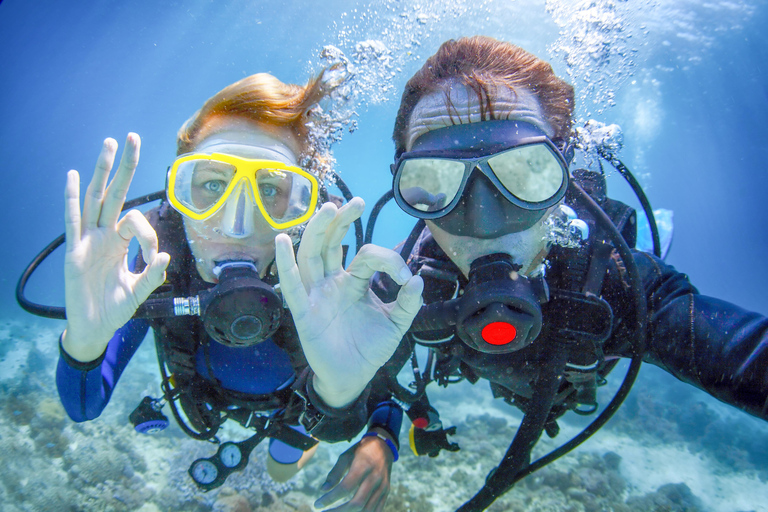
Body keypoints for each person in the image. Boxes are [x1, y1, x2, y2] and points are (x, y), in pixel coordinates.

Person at [367, 35, 768, 511]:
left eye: (525, 172)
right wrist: (377, 432)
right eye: (432, 182)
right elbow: (362, 383)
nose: (484, 221)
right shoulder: (404, 283)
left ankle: (659, 227)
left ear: (564, 173)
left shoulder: (617, 283)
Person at [56, 70, 423, 510]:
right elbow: (84, 407)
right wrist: (84, 341)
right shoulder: (156, 268)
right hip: (204, 401)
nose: (236, 225)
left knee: (280, 467)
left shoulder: (321, 272)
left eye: (270, 188)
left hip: (294, 411)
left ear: (301, 210)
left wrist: (377, 434)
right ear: (179, 197)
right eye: (211, 184)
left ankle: (287, 453)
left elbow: (377, 382)